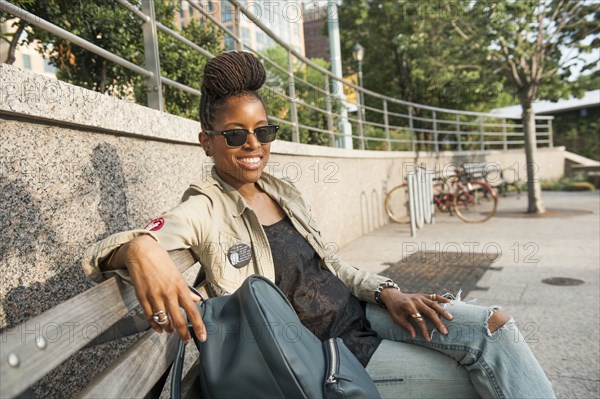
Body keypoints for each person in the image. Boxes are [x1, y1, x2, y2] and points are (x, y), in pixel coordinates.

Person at [83, 51, 556, 399]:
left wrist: (386, 290)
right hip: (327, 354)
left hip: (366, 313)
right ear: (206, 142)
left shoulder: (282, 188)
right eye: (235, 134)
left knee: (493, 327)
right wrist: (140, 249)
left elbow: (330, 264)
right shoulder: (204, 207)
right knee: (472, 380)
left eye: (263, 131)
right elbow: (104, 252)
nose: (254, 144)